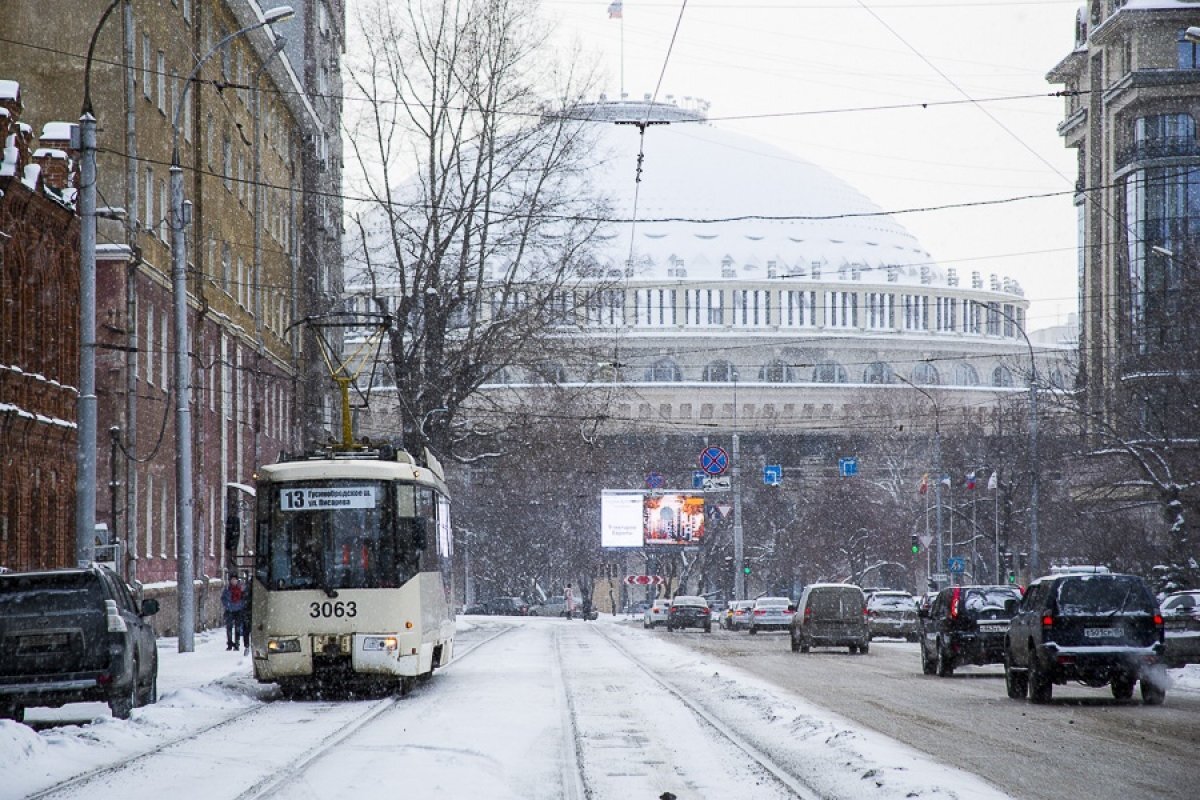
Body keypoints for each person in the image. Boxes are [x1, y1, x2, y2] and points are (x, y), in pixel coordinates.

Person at [221, 574, 248, 651]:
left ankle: (237, 644)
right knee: (229, 628)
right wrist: (228, 606)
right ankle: (229, 643)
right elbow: (223, 599)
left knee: (238, 628)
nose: (233, 581)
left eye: (235, 580)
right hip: (229, 610)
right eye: (232, 580)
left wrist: (241, 605)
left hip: (238, 610)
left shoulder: (241, 589)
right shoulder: (227, 589)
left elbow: (244, 598)